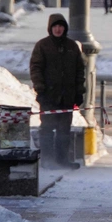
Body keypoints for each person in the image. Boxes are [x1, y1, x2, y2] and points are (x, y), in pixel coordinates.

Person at [30, 13, 86, 169]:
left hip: (67, 97)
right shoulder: (42, 46)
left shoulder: (72, 47)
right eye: (55, 26)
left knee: (64, 130)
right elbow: (36, 68)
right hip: (48, 96)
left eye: (61, 26)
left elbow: (79, 71)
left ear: (65, 28)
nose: (58, 29)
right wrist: (40, 89)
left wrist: (79, 92)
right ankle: (47, 160)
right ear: (50, 28)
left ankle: (62, 160)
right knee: (47, 128)